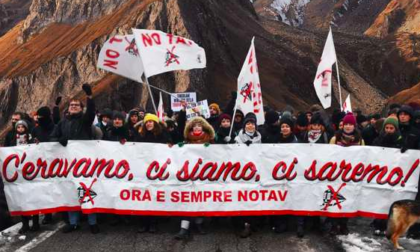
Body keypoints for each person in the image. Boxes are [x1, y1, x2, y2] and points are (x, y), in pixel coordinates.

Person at [51, 84, 100, 234]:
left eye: (76, 105)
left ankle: (93, 222)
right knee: (71, 192)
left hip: (84, 164)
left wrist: (89, 96)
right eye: (71, 105)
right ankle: (73, 223)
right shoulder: (63, 122)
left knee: (86, 191)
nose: (73, 106)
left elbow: (91, 113)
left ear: (81, 108)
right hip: (68, 165)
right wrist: (60, 139)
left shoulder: (85, 121)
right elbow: (52, 136)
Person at [175, 116, 215, 240]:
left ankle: (199, 223)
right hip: (189, 174)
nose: (197, 127)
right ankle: (184, 227)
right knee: (187, 199)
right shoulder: (187, 140)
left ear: (203, 127)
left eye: (199, 125)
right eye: (195, 125)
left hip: (204, 173)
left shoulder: (209, 140)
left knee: (201, 199)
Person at [329, 113, 364, 235]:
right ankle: (334, 225)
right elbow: (328, 156)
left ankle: (344, 224)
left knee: (348, 200)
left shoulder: (360, 141)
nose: (348, 126)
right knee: (335, 199)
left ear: (354, 126)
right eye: (346, 124)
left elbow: (363, 157)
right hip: (336, 174)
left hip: (351, 176)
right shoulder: (335, 139)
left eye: (350, 124)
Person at [234, 113, 262, 238]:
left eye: (252, 124)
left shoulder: (260, 138)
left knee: (254, 198)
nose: (250, 126)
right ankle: (245, 224)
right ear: (244, 125)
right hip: (242, 172)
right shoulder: (237, 138)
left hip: (255, 173)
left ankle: (253, 223)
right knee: (243, 198)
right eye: (248, 123)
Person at [31, 106, 56, 225]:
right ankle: (48, 214)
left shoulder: (55, 128)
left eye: (41, 118)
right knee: (43, 188)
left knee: (53, 188)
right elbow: (31, 144)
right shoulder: (36, 130)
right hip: (40, 163)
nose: (39, 119)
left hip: (54, 163)